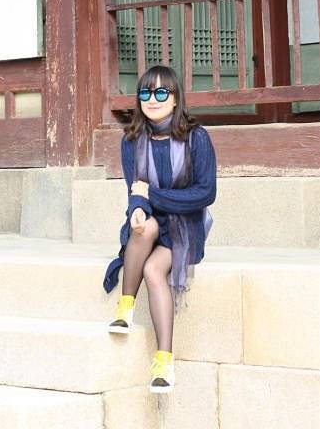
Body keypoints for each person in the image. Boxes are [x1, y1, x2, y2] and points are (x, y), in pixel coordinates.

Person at [103, 64, 217, 394]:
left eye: (161, 92)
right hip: (153, 221)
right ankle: (125, 306)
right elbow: (135, 191)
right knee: (144, 228)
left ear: (176, 98)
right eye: (145, 92)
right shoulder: (132, 140)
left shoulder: (197, 137)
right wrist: (138, 210)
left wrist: (152, 196)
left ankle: (164, 362)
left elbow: (204, 193)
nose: (152, 99)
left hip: (186, 225)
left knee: (154, 270)